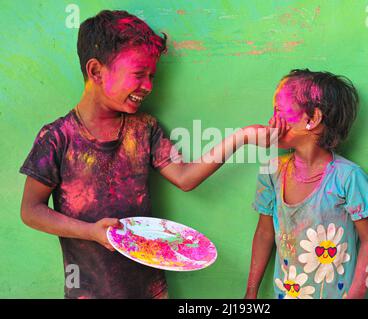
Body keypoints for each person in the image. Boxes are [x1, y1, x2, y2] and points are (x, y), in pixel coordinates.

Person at [19, 10, 286, 299]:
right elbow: (31, 210)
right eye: (138, 74)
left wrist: (242, 137)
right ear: (96, 71)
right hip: (90, 292)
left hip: (151, 290)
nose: (148, 86)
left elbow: (185, 177)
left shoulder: (143, 128)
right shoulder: (58, 138)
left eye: (152, 76)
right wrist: (91, 232)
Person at [245, 69, 368, 299]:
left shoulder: (348, 178)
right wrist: (251, 291)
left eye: (279, 111)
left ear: (312, 119)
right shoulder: (272, 172)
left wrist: (357, 294)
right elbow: (265, 233)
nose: (271, 121)